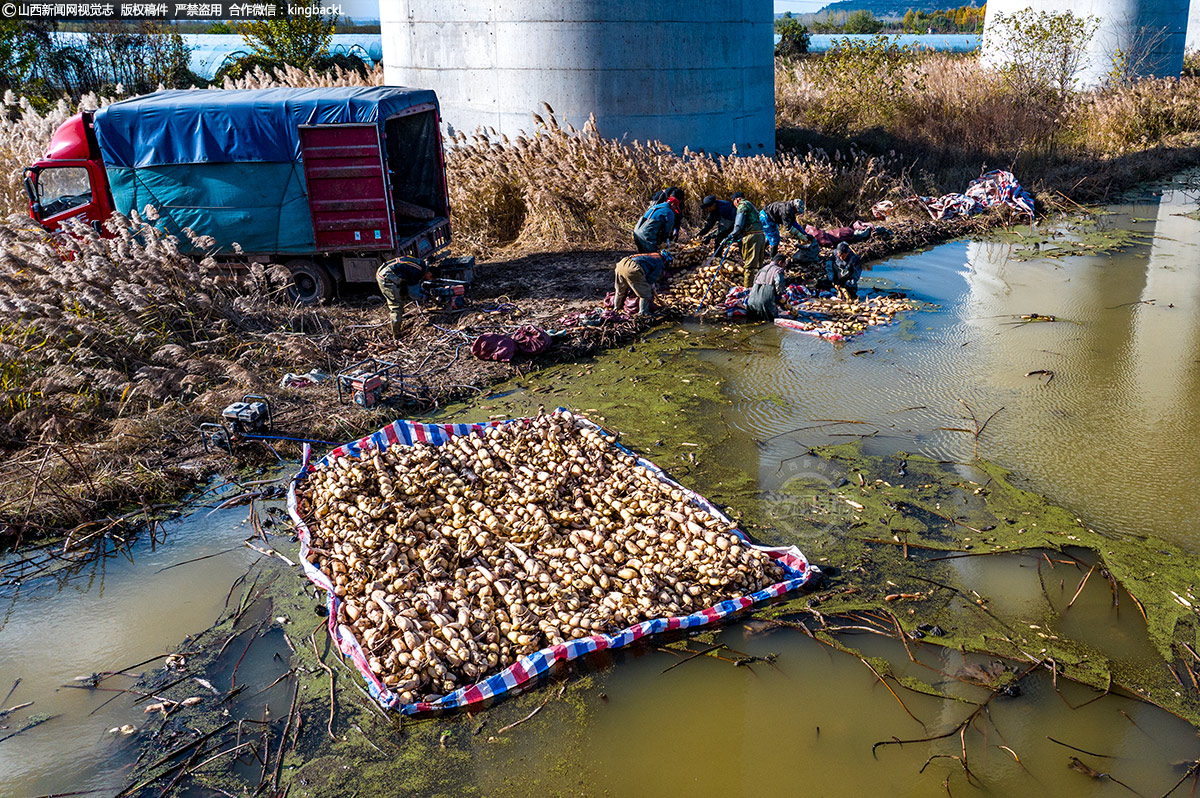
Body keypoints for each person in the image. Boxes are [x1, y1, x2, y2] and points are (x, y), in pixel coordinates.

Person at [375, 255, 432, 338]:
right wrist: (424, 297)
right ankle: (396, 334)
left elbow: (414, 285)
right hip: (386, 278)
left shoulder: (420, 265)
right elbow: (413, 294)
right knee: (396, 306)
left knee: (403, 296)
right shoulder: (416, 272)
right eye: (430, 278)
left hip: (390, 273)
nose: (429, 280)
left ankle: (401, 318)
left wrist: (423, 291)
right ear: (429, 273)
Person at [719, 192, 767, 288]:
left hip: (752, 237)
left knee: (749, 266)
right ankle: (759, 288)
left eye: (735, 204)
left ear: (737, 199)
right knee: (758, 265)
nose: (736, 206)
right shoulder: (751, 205)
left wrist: (730, 236)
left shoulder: (742, 205)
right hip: (760, 235)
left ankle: (747, 290)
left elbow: (738, 226)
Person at [613, 250, 672, 315]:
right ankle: (643, 312)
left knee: (620, 291)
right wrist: (652, 287)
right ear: (665, 260)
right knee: (645, 295)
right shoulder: (659, 262)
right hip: (632, 268)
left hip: (622, 264)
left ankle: (616, 309)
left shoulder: (652, 255)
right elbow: (650, 279)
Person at [746, 256, 789, 321]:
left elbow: (754, 282)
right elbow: (779, 284)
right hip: (765, 303)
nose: (785, 266)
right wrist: (779, 297)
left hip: (751, 303)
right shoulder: (778, 270)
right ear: (780, 262)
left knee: (752, 322)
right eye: (784, 264)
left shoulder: (762, 269)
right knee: (771, 322)